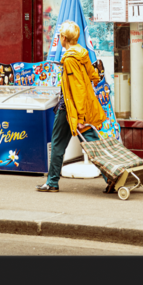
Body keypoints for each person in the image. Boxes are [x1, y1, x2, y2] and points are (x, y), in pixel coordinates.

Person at [37, 21, 109, 192]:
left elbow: (76, 90)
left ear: (64, 38)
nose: (59, 37)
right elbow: (94, 76)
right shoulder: (82, 54)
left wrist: (80, 117)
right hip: (80, 108)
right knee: (94, 145)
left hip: (69, 110)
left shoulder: (69, 59)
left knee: (57, 145)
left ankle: (52, 182)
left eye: (60, 35)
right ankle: (112, 177)